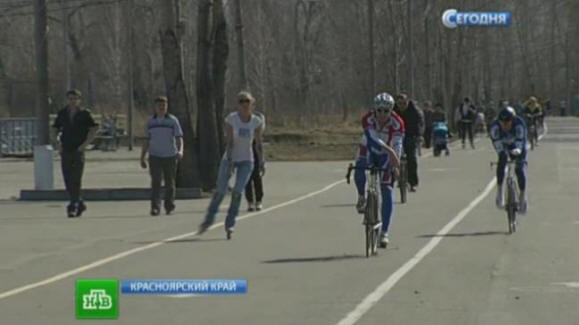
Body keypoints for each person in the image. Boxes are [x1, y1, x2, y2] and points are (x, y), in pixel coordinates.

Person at [199, 91, 264, 239]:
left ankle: (230, 224)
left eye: (247, 101)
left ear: (252, 103)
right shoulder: (232, 119)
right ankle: (209, 219)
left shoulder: (256, 122)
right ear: (238, 104)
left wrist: (261, 161)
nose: (244, 104)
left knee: (237, 192)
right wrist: (229, 160)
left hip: (247, 160)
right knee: (220, 191)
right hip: (230, 158)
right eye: (241, 101)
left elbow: (258, 144)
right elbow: (229, 142)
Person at [354, 92, 402, 247]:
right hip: (368, 148)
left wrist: (395, 163)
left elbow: (397, 145)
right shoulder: (367, 119)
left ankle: (385, 232)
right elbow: (372, 140)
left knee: (386, 188)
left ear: (391, 111)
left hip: (386, 155)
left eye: (386, 111)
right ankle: (361, 196)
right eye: (379, 110)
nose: (382, 114)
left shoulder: (397, 123)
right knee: (359, 167)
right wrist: (390, 150)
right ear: (374, 110)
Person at [52, 89, 98, 218]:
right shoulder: (62, 113)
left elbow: (94, 128)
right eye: (70, 99)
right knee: (67, 179)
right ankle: (80, 202)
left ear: (79, 100)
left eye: (75, 99)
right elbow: (55, 129)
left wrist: (85, 144)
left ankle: (73, 206)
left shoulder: (84, 114)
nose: (73, 101)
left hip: (78, 150)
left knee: (76, 178)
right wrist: (58, 144)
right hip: (66, 149)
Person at [140, 96, 184, 216]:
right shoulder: (150, 122)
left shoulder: (172, 120)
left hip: (170, 155)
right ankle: (155, 207)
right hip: (155, 156)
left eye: (164, 105)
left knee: (170, 182)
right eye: (159, 105)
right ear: (155, 107)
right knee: (156, 182)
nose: (161, 108)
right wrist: (142, 157)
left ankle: (169, 206)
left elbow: (179, 138)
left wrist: (180, 151)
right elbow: (146, 141)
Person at [489, 106, 528, 214]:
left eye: (508, 122)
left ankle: (522, 197)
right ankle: (500, 191)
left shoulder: (519, 125)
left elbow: (521, 142)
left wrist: (518, 151)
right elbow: (497, 144)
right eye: (502, 122)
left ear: (513, 120)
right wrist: (503, 153)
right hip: (503, 145)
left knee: (519, 168)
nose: (505, 125)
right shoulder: (494, 128)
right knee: (502, 159)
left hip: (517, 145)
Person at [394, 93, 423, 192]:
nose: (401, 106)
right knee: (391, 157)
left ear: (407, 102)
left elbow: (420, 124)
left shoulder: (414, 111)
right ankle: (393, 179)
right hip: (396, 135)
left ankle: (412, 182)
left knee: (411, 158)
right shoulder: (393, 110)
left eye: (404, 103)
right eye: (399, 104)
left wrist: (419, 136)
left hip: (410, 135)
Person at [245, 111, 266, 212]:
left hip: (254, 150)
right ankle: (250, 201)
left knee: (256, 176)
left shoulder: (258, 118)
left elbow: (259, 144)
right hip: (244, 150)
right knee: (246, 179)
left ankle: (258, 200)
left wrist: (262, 160)